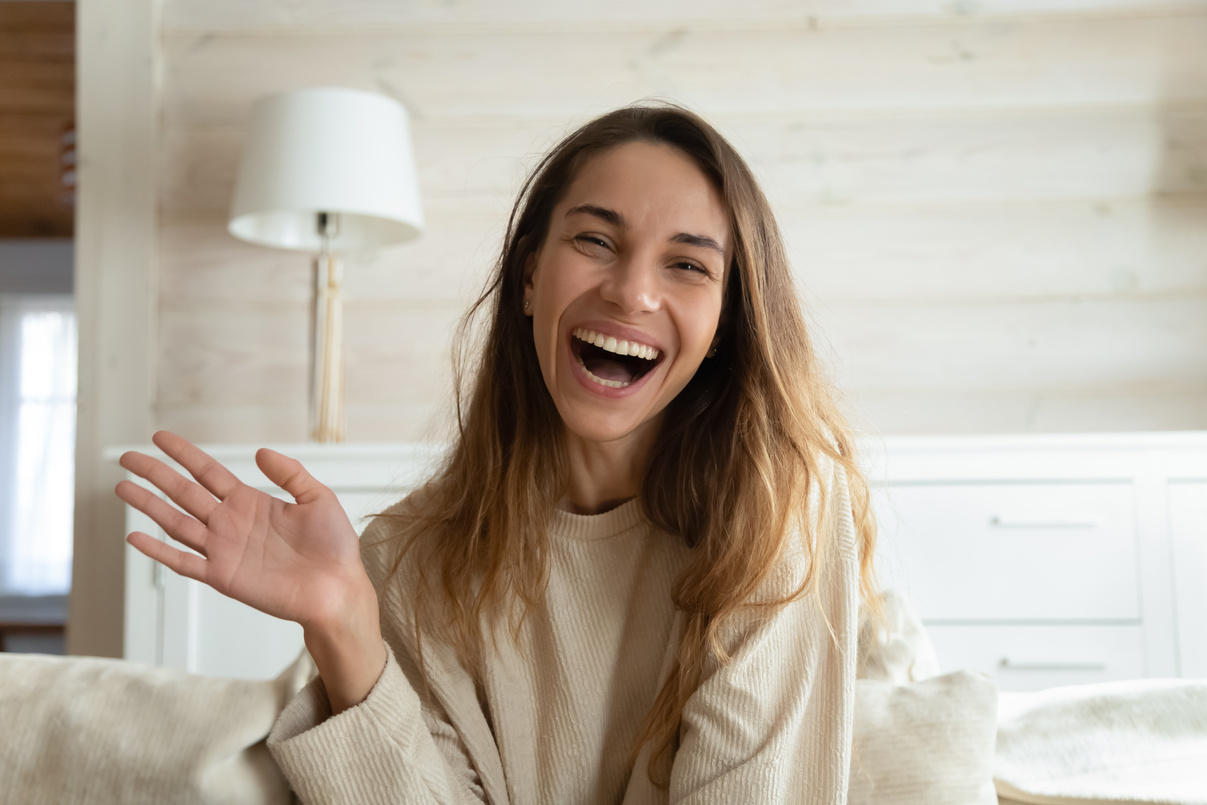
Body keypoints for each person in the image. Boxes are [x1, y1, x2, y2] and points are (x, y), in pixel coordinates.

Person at [116, 103, 877, 804]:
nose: (631, 292)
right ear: (527, 277)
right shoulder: (410, 560)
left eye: (687, 264)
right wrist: (345, 628)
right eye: (595, 240)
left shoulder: (783, 511)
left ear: (723, 325)